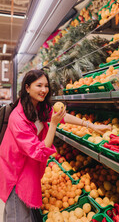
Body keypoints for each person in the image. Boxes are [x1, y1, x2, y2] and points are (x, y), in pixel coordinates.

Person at [0, 69, 111, 222]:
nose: (44, 90)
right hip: (16, 171)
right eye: (39, 85)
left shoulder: (37, 106)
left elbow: (61, 116)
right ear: (27, 87)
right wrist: (53, 124)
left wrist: (90, 126)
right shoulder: (18, 118)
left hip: (27, 166)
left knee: (14, 213)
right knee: (18, 214)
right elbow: (40, 152)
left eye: (46, 86)